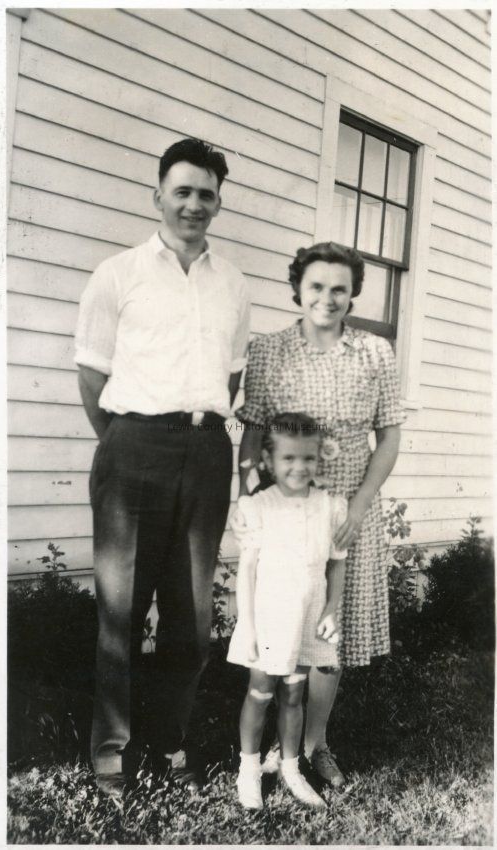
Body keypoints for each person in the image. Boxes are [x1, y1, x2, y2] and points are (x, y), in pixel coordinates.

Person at [74, 138, 250, 799]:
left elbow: (230, 377)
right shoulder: (117, 274)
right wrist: (127, 441)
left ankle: (170, 740)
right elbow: (92, 376)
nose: (194, 204)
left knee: (192, 617)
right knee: (121, 611)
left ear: (218, 204)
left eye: (206, 194)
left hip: (205, 452)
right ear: (158, 196)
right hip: (133, 448)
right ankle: (112, 753)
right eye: (183, 191)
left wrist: (190, 438)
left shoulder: (232, 283)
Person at [237, 242, 406, 787]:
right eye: (316, 286)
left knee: (330, 636)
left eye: (340, 288)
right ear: (298, 289)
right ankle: (273, 747)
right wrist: (250, 498)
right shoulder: (270, 350)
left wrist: (359, 506)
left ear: (353, 293)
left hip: (348, 511)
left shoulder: (374, 352)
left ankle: (315, 744)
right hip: (286, 513)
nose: (327, 298)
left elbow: (389, 436)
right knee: (284, 621)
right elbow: (252, 434)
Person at [227, 413, 348, 810]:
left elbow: (337, 563)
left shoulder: (329, 506)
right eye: (289, 458)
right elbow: (247, 569)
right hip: (270, 614)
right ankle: (248, 771)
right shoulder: (259, 506)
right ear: (268, 460)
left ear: (319, 458)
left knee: (294, 694)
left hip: (308, 614)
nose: (299, 467)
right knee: (261, 692)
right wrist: (248, 625)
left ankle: (291, 768)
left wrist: (330, 610)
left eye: (308, 458)